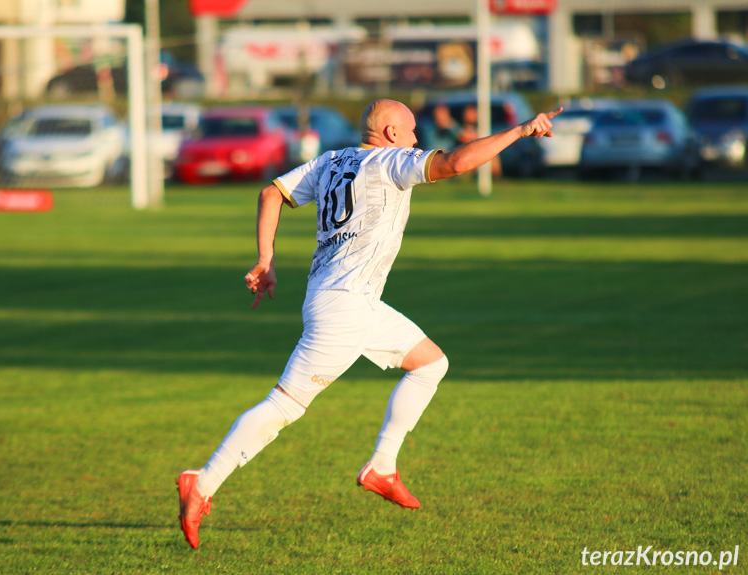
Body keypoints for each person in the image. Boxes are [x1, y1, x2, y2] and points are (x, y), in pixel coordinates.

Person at [177, 99, 561, 549]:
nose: (418, 140)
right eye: (413, 131)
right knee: (284, 407)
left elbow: (271, 194)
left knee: (431, 364)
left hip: (345, 300)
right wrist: (518, 131)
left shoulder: (332, 159)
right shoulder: (392, 162)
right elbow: (457, 162)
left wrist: (266, 259)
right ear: (393, 134)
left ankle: (382, 466)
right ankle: (201, 482)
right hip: (344, 309)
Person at [433, 103, 502, 178]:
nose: (467, 114)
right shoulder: (439, 129)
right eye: (467, 111)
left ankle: (496, 177)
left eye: (472, 111)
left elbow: (465, 136)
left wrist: (449, 123)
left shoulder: (482, 129)